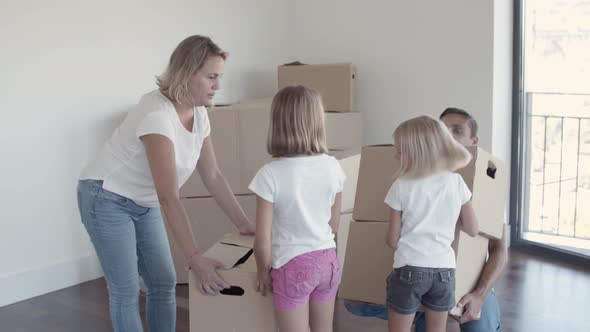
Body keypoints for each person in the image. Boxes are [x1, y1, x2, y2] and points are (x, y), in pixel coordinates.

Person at [76, 35, 255, 332]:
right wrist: (194, 257)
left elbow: (212, 175)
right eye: (211, 77)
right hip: (105, 197)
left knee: (163, 283)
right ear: (186, 74)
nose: (218, 86)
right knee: (126, 290)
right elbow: (169, 196)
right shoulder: (158, 117)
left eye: (219, 77)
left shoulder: (200, 113)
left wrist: (244, 223)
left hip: (143, 201)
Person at [250, 86, 345, 332]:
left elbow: (262, 240)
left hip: (292, 265)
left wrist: (262, 271)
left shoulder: (270, 174)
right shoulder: (333, 167)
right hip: (328, 260)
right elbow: (334, 223)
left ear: (277, 123)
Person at [414, 107, 507, 332]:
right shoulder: (417, 178)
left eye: (456, 131)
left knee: (480, 326)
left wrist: (480, 295)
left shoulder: (488, 184)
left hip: (470, 284)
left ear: (473, 140)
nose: (448, 137)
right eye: (443, 130)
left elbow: (499, 249)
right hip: (425, 282)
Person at [384, 115, 479, 332]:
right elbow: (473, 229)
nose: (395, 154)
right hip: (444, 271)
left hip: (409, 268)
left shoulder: (401, 185)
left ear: (415, 152)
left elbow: (391, 240)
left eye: (399, 150)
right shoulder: (456, 182)